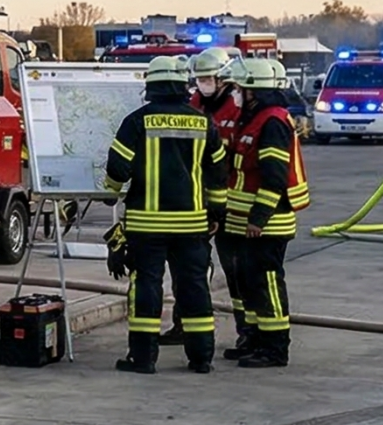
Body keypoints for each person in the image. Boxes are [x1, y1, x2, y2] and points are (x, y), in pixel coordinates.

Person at [104, 56, 226, 374]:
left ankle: (143, 358)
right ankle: (201, 358)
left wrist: (110, 192)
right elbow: (218, 174)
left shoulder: (137, 121)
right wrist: (216, 213)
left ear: (151, 86)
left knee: (146, 286)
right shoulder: (204, 123)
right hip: (192, 225)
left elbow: (117, 167)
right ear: (184, 85)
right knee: (194, 287)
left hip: (147, 225)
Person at [223, 58, 309, 368]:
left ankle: (275, 348)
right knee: (249, 282)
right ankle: (255, 340)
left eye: (238, 88)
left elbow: (274, 177)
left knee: (267, 283)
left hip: (268, 223)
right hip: (247, 222)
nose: (235, 94)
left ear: (253, 91)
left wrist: (258, 218)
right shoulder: (253, 118)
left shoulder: (272, 122)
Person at [189, 49, 250, 348]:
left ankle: (246, 331)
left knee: (235, 269)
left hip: (229, 202)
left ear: (222, 78)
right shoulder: (194, 104)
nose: (203, 83)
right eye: (199, 78)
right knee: (190, 270)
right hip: (194, 199)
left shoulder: (237, 109)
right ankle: (184, 326)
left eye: (207, 78)